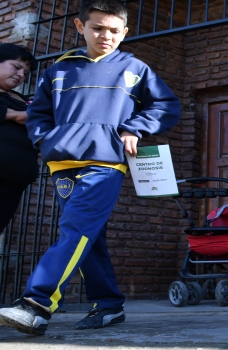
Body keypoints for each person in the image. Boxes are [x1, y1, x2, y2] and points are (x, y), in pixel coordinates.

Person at [0, 0, 180, 336]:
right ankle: (109, 303)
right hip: (62, 165)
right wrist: (45, 141)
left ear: (125, 32)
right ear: (81, 27)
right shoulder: (59, 69)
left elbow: (167, 105)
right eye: (98, 28)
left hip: (106, 164)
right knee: (87, 235)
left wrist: (134, 127)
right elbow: (39, 113)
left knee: (75, 229)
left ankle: (36, 304)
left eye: (114, 30)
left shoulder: (136, 69)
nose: (106, 35)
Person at [0, 44, 39, 233]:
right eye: (16, 67)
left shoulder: (21, 98)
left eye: (25, 72)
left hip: (14, 181)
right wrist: (14, 115)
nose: (21, 75)